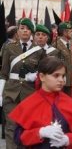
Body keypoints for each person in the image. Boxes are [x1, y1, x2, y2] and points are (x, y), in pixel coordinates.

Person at [9, 56, 72, 148]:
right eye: (56, 75)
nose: (61, 80)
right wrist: (40, 132)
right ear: (42, 77)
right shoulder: (28, 104)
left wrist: (67, 140)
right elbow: (19, 138)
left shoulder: (70, 103)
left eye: (63, 76)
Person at [0, 18, 47, 148]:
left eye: (27, 29)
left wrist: (36, 76)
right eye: (22, 28)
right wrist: (0, 94)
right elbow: (4, 73)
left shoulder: (39, 51)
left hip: (30, 93)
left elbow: (45, 73)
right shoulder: (9, 48)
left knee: (27, 127)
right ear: (17, 32)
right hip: (11, 93)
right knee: (11, 126)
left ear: (31, 32)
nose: (24, 31)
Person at [55, 22, 72, 97]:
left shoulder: (70, 43)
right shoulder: (56, 44)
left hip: (69, 79)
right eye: (70, 31)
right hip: (60, 79)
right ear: (64, 32)